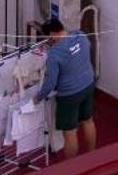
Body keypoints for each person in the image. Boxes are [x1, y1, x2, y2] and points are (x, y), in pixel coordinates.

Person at [35, 17, 97, 157]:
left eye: (48, 37)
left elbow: (50, 83)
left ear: (51, 34)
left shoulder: (54, 54)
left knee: (70, 132)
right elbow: (85, 49)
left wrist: (38, 98)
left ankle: (71, 168)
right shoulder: (80, 35)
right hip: (88, 85)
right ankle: (92, 156)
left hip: (69, 96)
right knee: (88, 120)